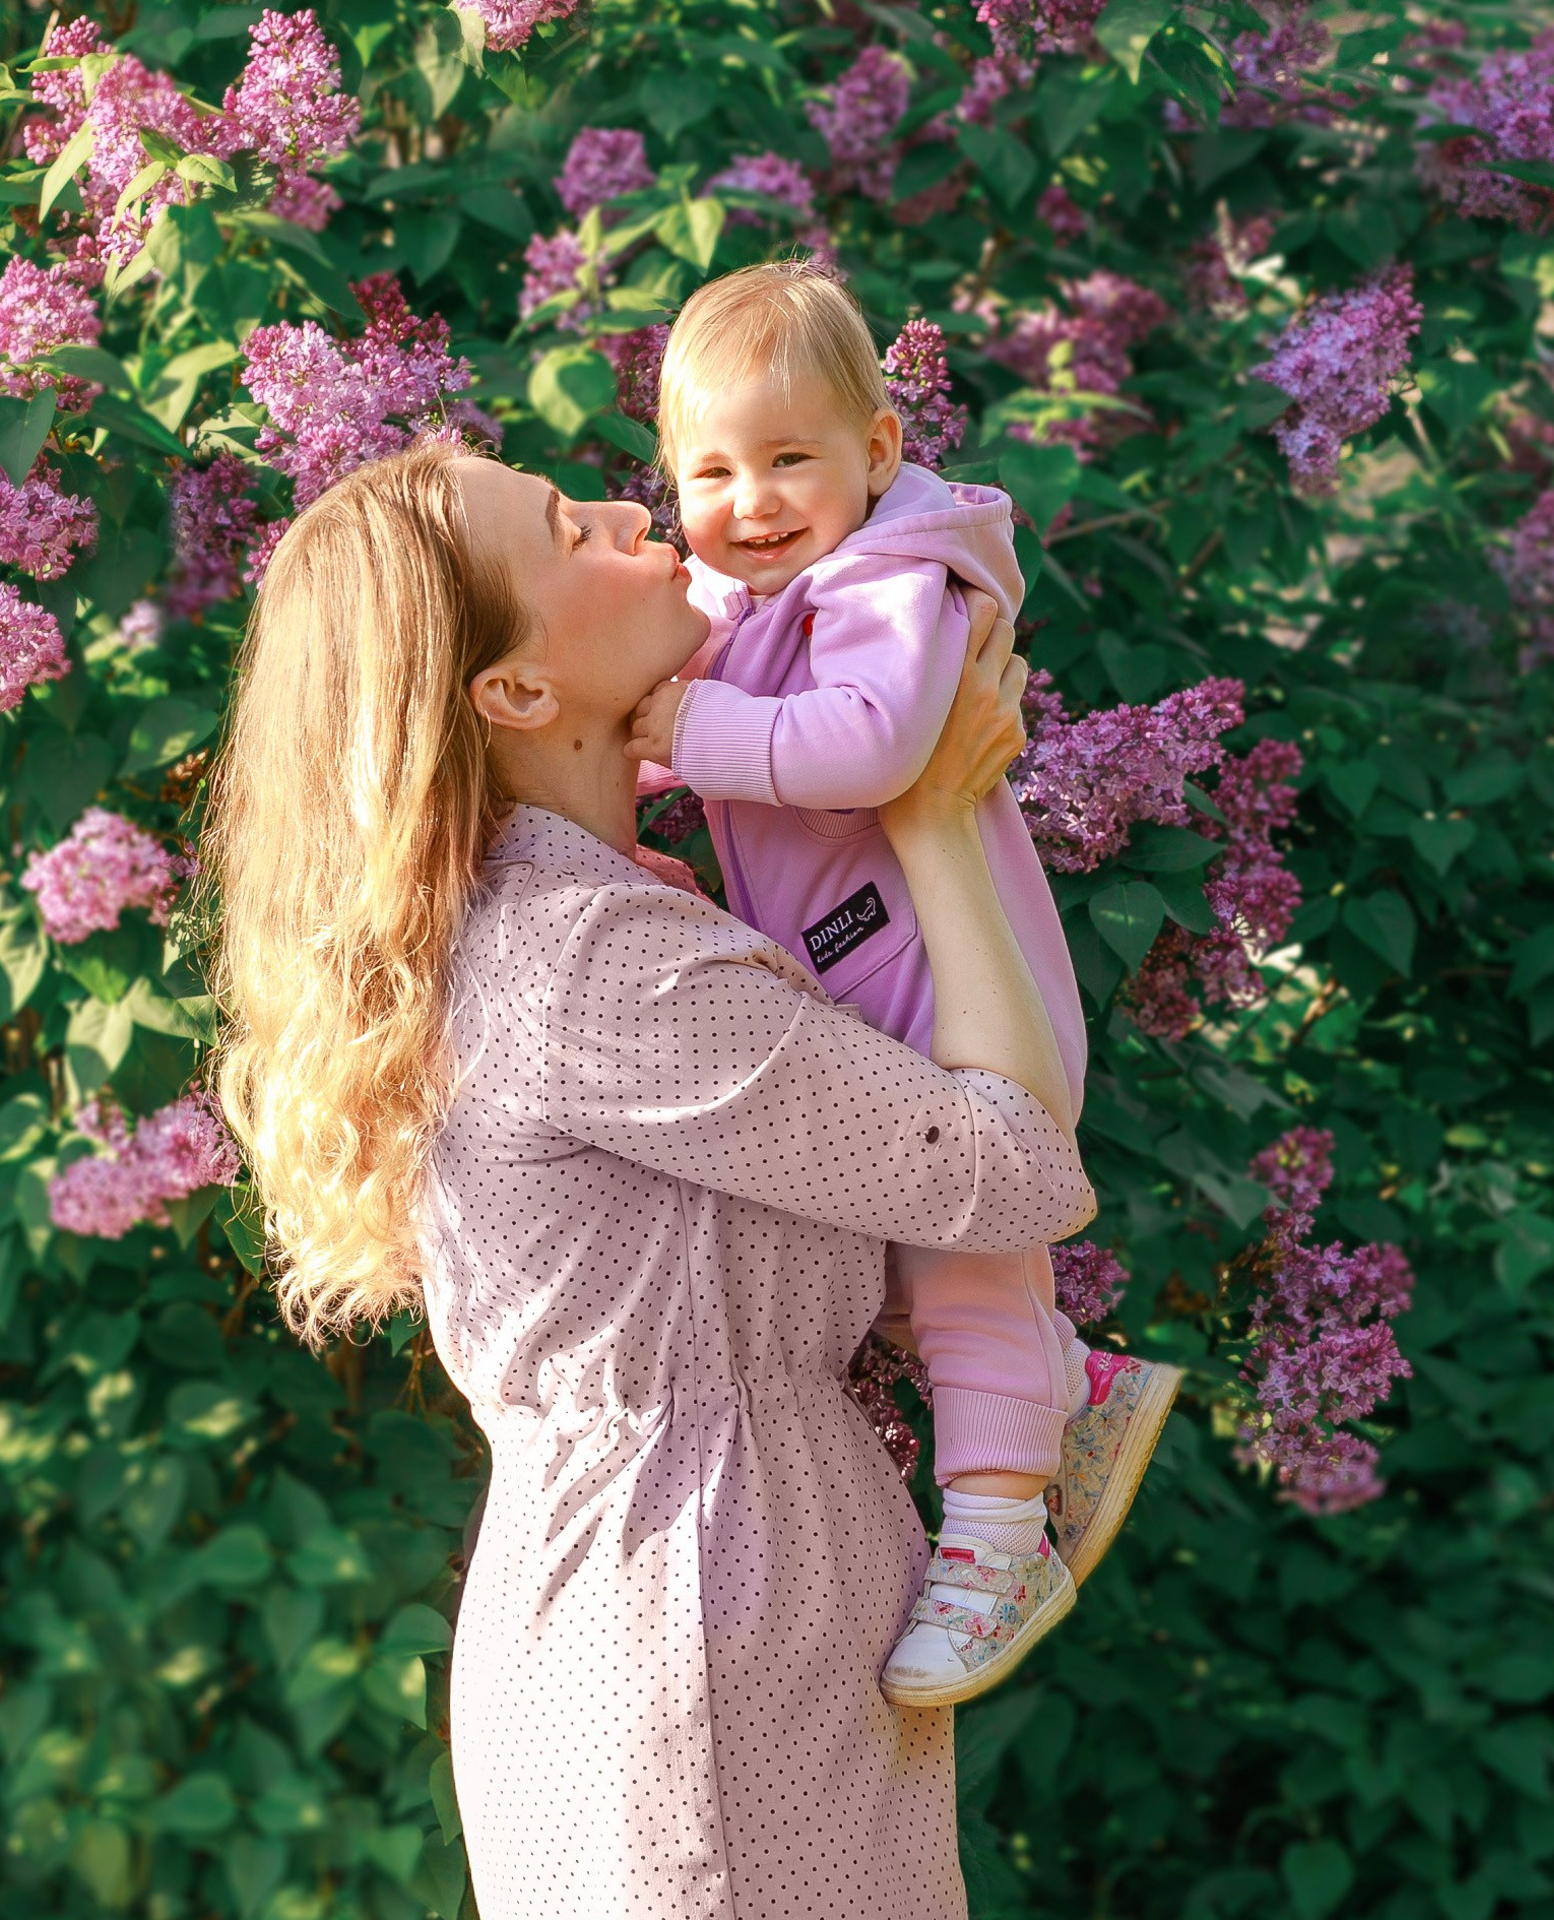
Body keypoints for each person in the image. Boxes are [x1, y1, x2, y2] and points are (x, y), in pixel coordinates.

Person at [204, 437, 1095, 1919]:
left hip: (694, 1609)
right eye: (568, 528)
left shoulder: (590, 921)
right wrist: (937, 818)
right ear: (517, 693)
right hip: (699, 1635)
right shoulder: (598, 965)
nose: (631, 510)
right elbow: (1008, 1174)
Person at [626, 261, 1180, 1702]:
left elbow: (869, 750)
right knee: (890, 1271)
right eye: (710, 471)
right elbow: (671, 722)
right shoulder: (757, 589)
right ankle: (1067, 1387)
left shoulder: (889, 581)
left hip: (949, 989)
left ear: (877, 452)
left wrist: (683, 723)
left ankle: (999, 1535)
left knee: (960, 1264)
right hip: (860, 986)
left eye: (789, 458)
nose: (749, 501)